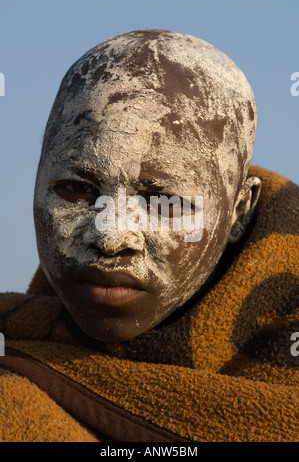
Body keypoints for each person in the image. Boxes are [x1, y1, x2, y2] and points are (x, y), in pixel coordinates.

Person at [0, 29, 298, 442]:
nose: (111, 236)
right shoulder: (15, 355)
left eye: (163, 202)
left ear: (238, 213)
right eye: (76, 188)